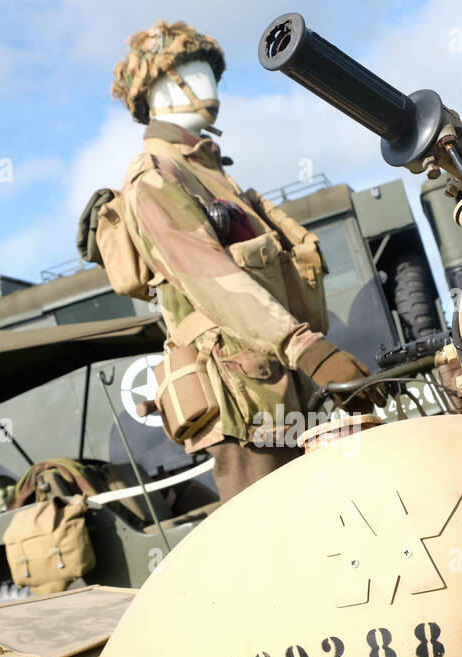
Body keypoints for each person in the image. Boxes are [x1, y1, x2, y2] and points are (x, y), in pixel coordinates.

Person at [106, 20, 379, 502]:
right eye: (191, 72)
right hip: (242, 403)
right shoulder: (154, 177)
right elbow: (211, 278)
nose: (210, 85)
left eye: (211, 72)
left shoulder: (210, 173)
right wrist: (309, 351)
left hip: (277, 387)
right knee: (277, 549)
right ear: (161, 90)